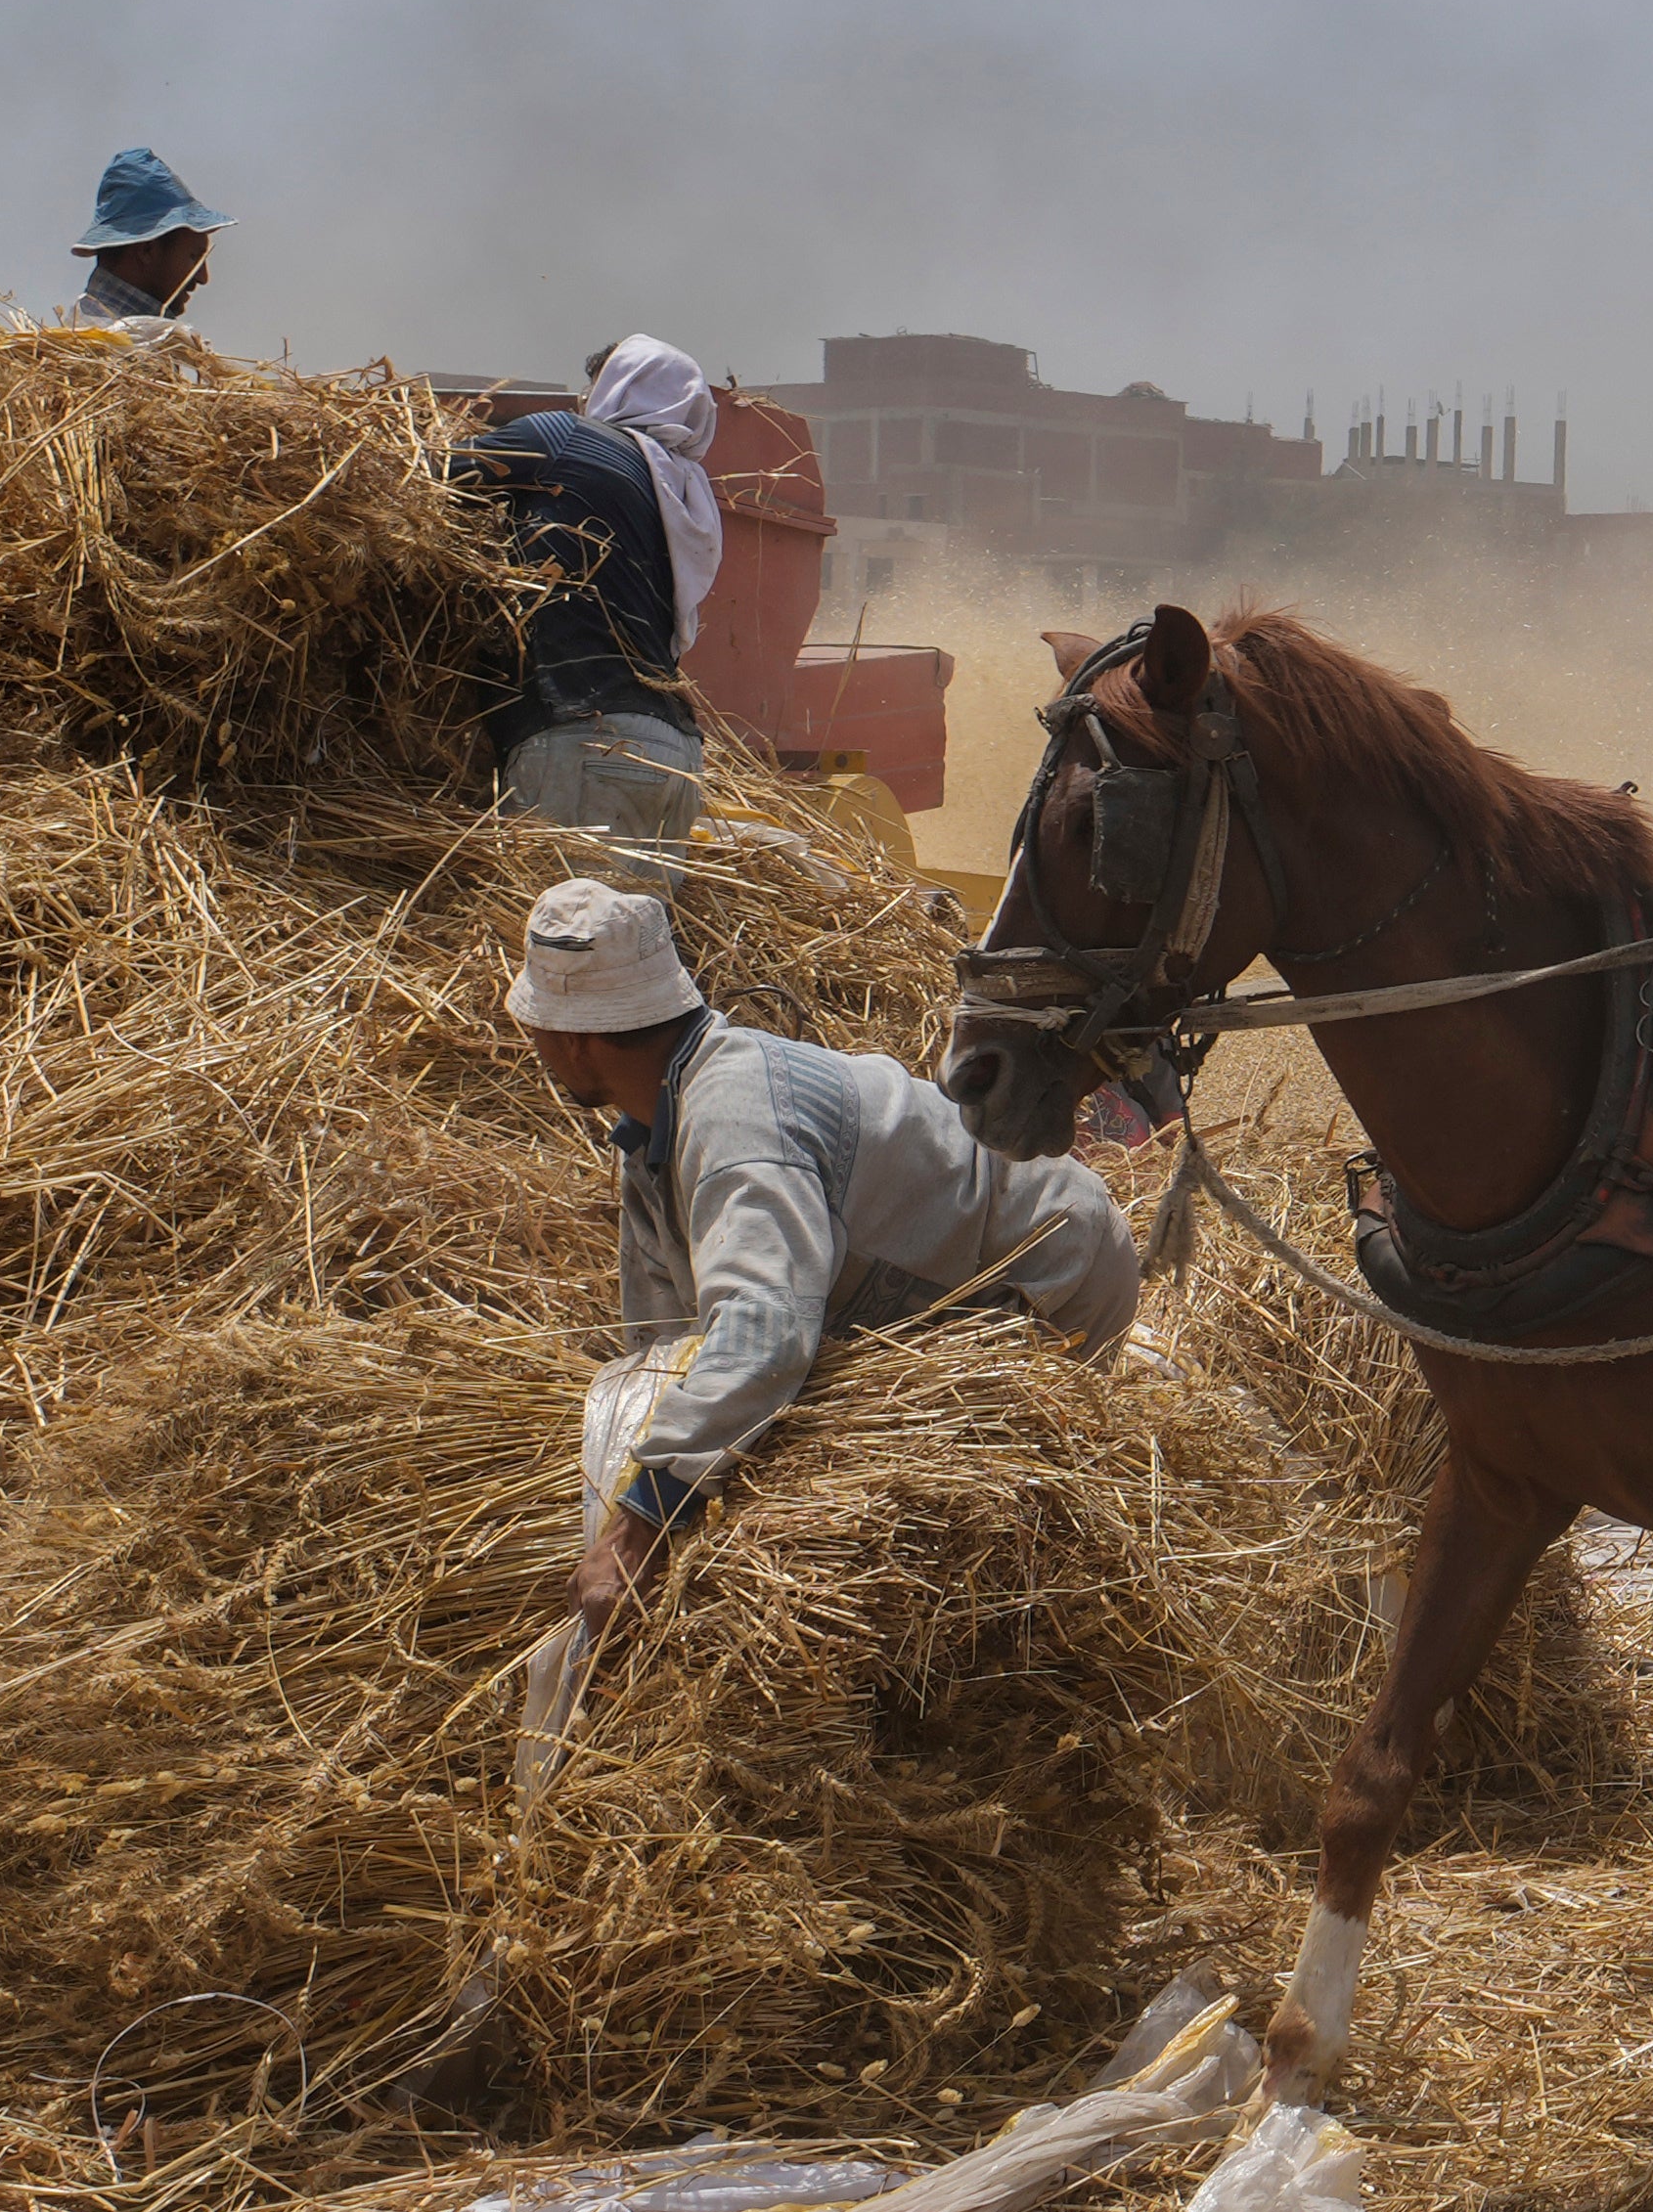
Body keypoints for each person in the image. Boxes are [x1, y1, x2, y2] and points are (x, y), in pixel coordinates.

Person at [514, 876, 1141, 1616]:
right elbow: (675, 1341)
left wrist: (641, 1525)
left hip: (1048, 1276)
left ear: (575, 1041)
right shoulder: (658, 1124)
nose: (532, 1044)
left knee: (974, 1557)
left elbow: (764, 1331)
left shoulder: (737, 1125)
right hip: (944, 1285)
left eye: (535, 1026)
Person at [450, 337, 731, 889]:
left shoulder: (565, 439)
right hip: (675, 755)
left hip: (587, 740)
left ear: (615, 389)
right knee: (633, 939)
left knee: (564, 935)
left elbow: (414, 475)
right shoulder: (683, 494)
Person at [71, 149, 228, 326]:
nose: (203, 277)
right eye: (194, 257)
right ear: (147, 250)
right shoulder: (114, 337)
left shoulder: (90, 329)